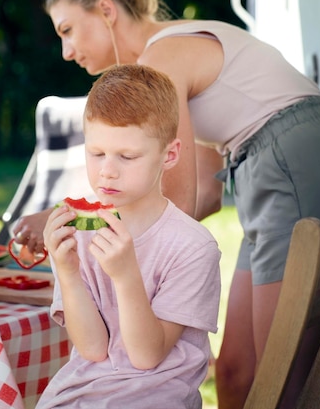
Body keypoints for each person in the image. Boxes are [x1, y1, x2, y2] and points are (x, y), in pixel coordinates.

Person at [12, 0, 320, 407]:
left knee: (278, 373)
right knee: (235, 370)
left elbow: (170, 203)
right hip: (267, 164)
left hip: (289, 159)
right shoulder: (168, 66)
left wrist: (65, 216)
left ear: (105, 9)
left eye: (67, 30)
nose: (66, 52)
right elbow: (204, 195)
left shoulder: (160, 61)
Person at [37, 64, 221, 408]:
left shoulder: (193, 248)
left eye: (127, 156)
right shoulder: (79, 236)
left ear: (169, 155)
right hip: (82, 394)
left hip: (156, 398)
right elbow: (91, 349)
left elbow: (146, 356)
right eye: (96, 153)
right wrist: (67, 272)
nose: (107, 169)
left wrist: (125, 275)